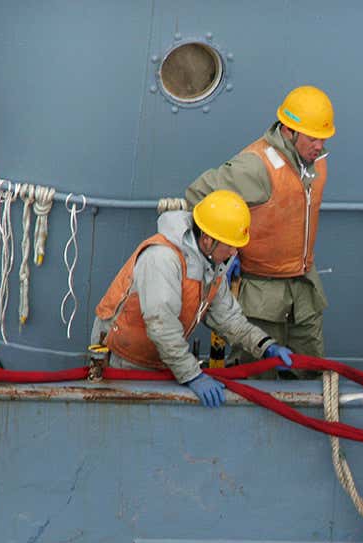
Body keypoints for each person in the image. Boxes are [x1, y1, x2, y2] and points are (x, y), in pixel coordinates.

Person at [91, 190, 294, 408]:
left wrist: (266, 346)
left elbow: (229, 319)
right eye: (230, 245)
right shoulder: (162, 259)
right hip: (122, 362)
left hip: (161, 359)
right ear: (207, 240)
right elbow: (161, 326)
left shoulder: (212, 266)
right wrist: (192, 375)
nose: (234, 253)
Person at [185, 85, 334, 378]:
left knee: (311, 376)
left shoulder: (316, 162)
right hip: (260, 295)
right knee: (257, 379)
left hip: (304, 290)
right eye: (313, 138)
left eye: (324, 138)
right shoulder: (256, 167)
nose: (319, 146)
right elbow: (197, 195)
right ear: (289, 132)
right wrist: (224, 247)